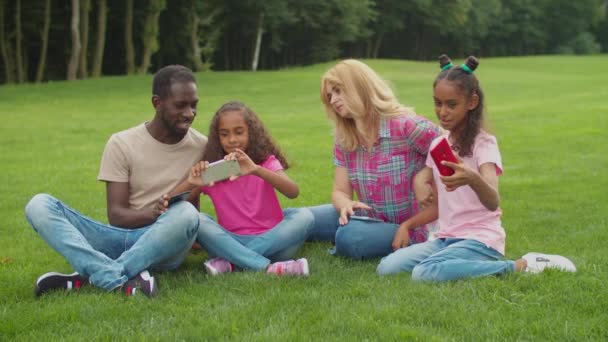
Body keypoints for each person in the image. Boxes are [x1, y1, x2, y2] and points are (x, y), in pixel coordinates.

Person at [376, 55, 576, 281]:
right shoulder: (438, 145)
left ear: (472, 102)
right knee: (387, 268)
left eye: (451, 104)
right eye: (438, 103)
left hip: (480, 238)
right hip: (445, 238)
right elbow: (436, 198)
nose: (442, 112)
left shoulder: (484, 144)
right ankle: (453, 261)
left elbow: (493, 201)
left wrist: (472, 177)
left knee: (423, 273)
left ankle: (521, 266)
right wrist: (409, 219)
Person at [24, 65, 207, 297]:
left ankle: (95, 275)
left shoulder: (202, 146)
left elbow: (223, 180)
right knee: (38, 205)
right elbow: (118, 216)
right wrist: (153, 213)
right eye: (181, 105)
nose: (190, 113)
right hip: (121, 237)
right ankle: (117, 275)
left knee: (187, 214)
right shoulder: (122, 143)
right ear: (157, 103)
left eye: (194, 105)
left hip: (167, 245)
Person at [307, 59, 442, 260]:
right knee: (301, 217)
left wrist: (423, 175)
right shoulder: (345, 139)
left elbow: (452, 146)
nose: (333, 100)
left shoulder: (406, 126)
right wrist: (345, 204)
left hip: (409, 228)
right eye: (329, 95)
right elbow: (340, 191)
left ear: (360, 87)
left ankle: (347, 235)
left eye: (338, 90)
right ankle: (254, 240)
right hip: (365, 217)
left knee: (351, 238)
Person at [170, 101, 313, 276]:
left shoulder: (264, 162)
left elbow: (293, 192)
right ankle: (270, 268)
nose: (232, 140)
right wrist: (192, 182)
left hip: (274, 242)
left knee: (304, 216)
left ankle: (233, 262)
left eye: (239, 132)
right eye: (224, 134)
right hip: (231, 241)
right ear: (217, 138)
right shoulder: (216, 170)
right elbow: (174, 202)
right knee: (198, 219)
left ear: (251, 132)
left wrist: (256, 170)